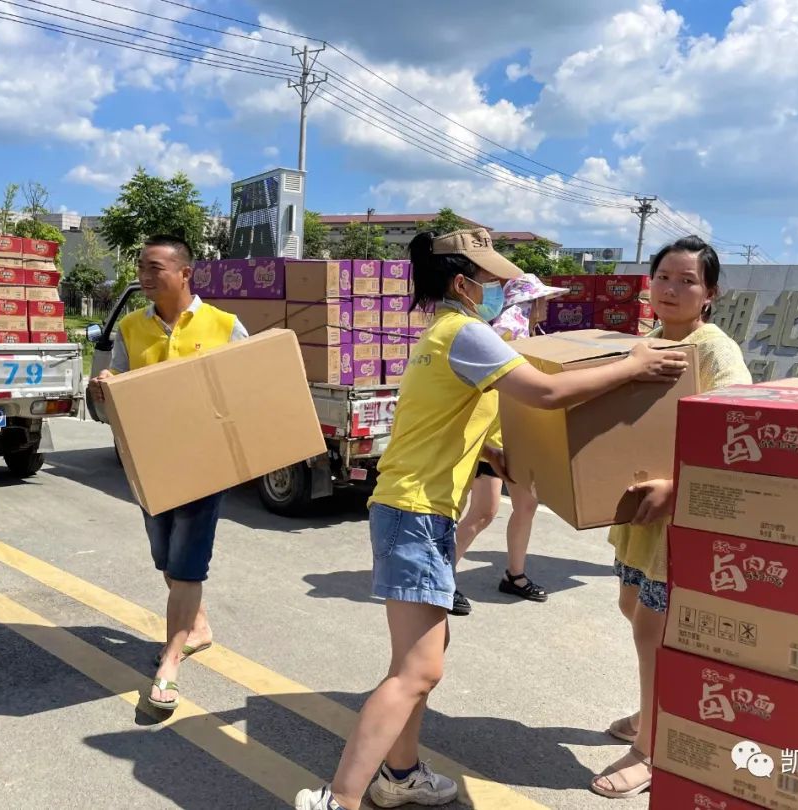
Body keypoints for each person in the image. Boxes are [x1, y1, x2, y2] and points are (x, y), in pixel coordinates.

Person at [295, 228, 689, 810]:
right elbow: (547, 393)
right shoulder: (467, 333)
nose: (502, 291)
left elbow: (440, 417)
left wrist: (488, 451)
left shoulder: (441, 332)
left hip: (412, 507)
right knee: (417, 671)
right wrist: (632, 365)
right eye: (493, 281)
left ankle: (399, 776)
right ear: (463, 284)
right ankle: (340, 799)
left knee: (420, 662)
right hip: (415, 512)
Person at [591, 235, 752, 800]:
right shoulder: (649, 343)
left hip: (682, 514)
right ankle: (652, 709)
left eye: (688, 281)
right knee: (631, 606)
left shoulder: (713, 350)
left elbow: (740, 426)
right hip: (640, 513)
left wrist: (680, 487)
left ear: (710, 294)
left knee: (651, 628)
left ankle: (651, 751)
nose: (672, 289)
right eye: (663, 276)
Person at [89, 234, 248, 712]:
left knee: (186, 565)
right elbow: (117, 388)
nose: (144, 275)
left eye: (154, 267)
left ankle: (170, 662)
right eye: (141, 266)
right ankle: (197, 627)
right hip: (149, 462)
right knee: (165, 556)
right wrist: (104, 385)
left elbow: (248, 389)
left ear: (184, 273)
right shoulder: (131, 328)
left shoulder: (224, 325)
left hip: (203, 465)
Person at [451, 273, 564, 614]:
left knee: (525, 506)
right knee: (483, 512)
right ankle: (441, 579)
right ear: (530, 301)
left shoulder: (527, 332)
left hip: (517, 438)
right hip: (493, 439)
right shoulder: (508, 333)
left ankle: (514, 575)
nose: (547, 305)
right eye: (543, 299)